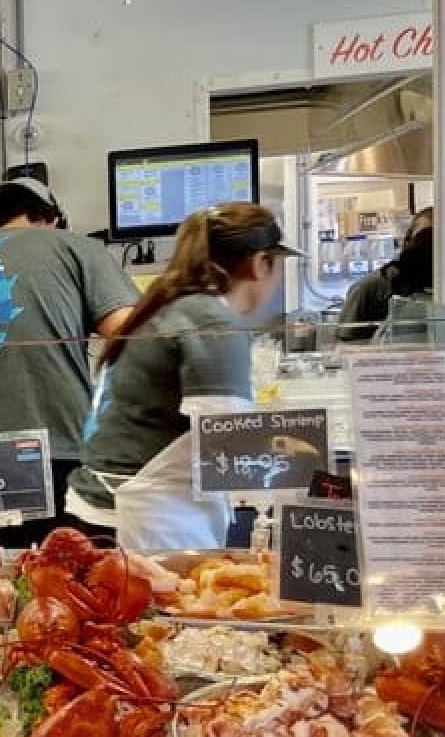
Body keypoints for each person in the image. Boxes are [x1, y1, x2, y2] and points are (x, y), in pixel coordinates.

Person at [0, 176, 138, 546]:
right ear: (53, 220)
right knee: (62, 574)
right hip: (54, 459)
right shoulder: (77, 249)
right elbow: (132, 337)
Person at [67, 203, 296, 550]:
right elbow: (226, 439)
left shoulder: (170, 306)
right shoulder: (212, 321)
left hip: (109, 505)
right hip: (147, 515)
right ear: (260, 263)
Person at [336, 206, 432, 342]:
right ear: (408, 240)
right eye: (424, 237)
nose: (432, 245)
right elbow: (346, 345)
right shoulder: (372, 288)